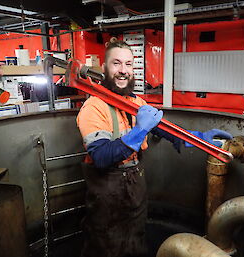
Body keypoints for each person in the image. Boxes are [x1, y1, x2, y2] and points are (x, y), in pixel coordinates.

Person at [76, 38, 232, 257]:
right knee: (105, 245)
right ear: (104, 68)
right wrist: (140, 130)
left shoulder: (136, 103)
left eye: (128, 64)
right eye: (116, 63)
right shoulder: (93, 108)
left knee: (136, 239)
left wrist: (198, 138)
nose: (123, 71)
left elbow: (167, 131)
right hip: (106, 195)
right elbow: (101, 157)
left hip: (136, 188)